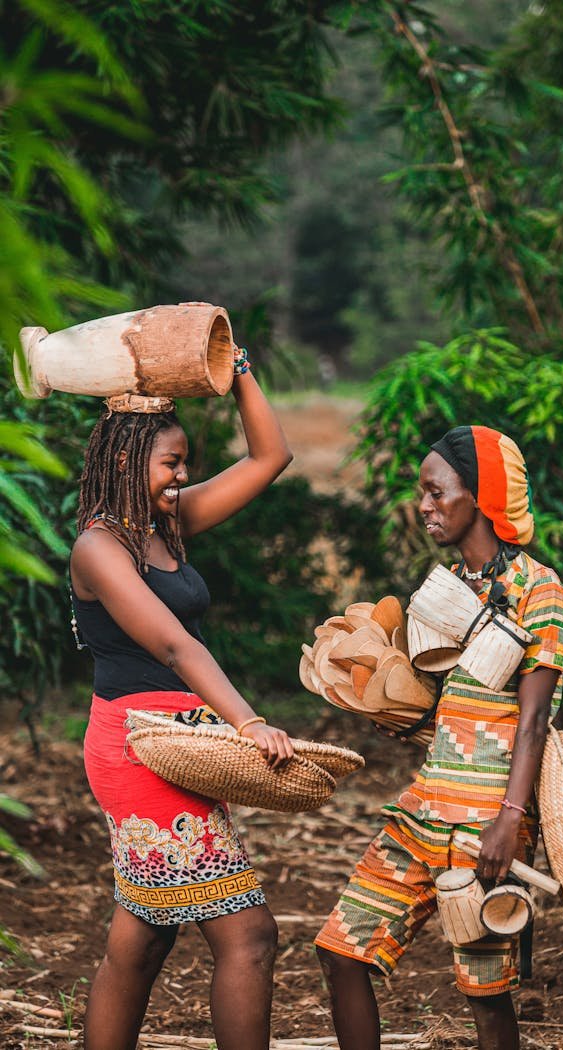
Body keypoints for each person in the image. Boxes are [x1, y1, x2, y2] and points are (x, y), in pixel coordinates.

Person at [315, 424, 563, 1050]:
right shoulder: (444, 589)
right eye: (421, 493)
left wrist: (510, 820)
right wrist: (391, 708)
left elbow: (535, 719)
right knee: (341, 952)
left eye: (437, 493)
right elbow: (447, 710)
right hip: (423, 810)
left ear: (481, 496)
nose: (423, 506)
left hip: (486, 823)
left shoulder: (540, 591)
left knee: (484, 998)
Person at [70, 343, 294, 1050]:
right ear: (128, 461)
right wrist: (249, 720)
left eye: (185, 463)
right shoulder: (99, 548)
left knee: (143, 941)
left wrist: (241, 371)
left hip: (184, 745)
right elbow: (174, 645)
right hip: (137, 750)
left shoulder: (165, 526)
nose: (182, 476)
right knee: (250, 936)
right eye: (171, 463)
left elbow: (269, 459)